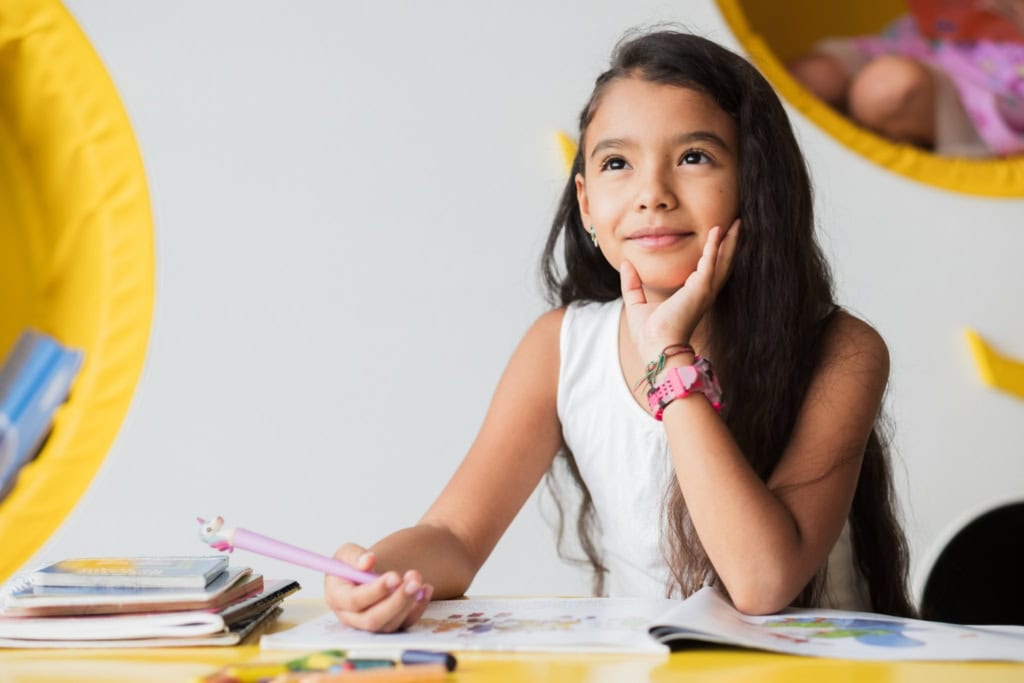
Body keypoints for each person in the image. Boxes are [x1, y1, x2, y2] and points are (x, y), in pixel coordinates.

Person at [324, 29, 915, 633]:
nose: (652, 195)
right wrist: (378, 572)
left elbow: (762, 581)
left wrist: (669, 357)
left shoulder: (842, 351)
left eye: (694, 157)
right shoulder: (561, 348)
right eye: (616, 164)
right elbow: (453, 536)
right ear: (586, 204)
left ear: (755, 184)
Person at [788, 0, 1024, 157]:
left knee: (884, 88)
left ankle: (891, 131)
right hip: (914, 43)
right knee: (812, 74)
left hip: (980, 91)